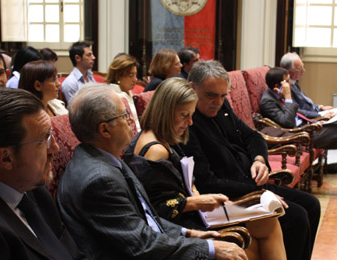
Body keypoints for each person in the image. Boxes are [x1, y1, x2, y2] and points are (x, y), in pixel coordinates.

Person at [57, 83, 248, 260]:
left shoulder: (107, 160)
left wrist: (189, 234)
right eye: (124, 115)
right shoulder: (99, 180)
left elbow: (146, 218)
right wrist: (209, 249)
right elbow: (141, 244)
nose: (132, 120)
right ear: (105, 130)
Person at [124, 77, 286, 260]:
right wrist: (198, 201)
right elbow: (156, 210)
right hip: (179, 227)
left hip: (195, 212)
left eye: (191, 115)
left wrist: (196, 194)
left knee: (269, 221)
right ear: (165, 111)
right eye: (184, 115)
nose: (190, 123)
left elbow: (184, 181)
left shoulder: (162, 137)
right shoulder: (155, 150)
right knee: (251, 248)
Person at [182, 60, 320, 260]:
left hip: (251, 182)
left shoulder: (221, 106)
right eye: (211, 95)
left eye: (223, 96)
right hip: (231, 195)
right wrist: (258, 194)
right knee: (296, 217)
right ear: (192, 88)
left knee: (312, 204)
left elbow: (252, 136)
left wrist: (259, 160)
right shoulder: (188, 122)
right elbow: (207, 182)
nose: (218, 102)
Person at [0, 88, 85, 259]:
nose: (54, 148)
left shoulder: (29, 184)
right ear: (5, 158)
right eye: (44, 140)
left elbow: (70, 254)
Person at [260, 67, 337, 149]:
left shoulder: (278, 94)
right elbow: (288, 123)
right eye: (287, 81)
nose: (290, 83)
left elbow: (298, 112)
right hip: (298, 135)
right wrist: (288, 97)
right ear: (277, 86)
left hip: (307, 126)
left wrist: (319, 118)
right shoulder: (268, 102)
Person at [105, 54, 141, 131]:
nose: (135, 79)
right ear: (117, 76)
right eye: (131, 75)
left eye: (135, 75)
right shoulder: (114, 97)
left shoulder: (128, 93)